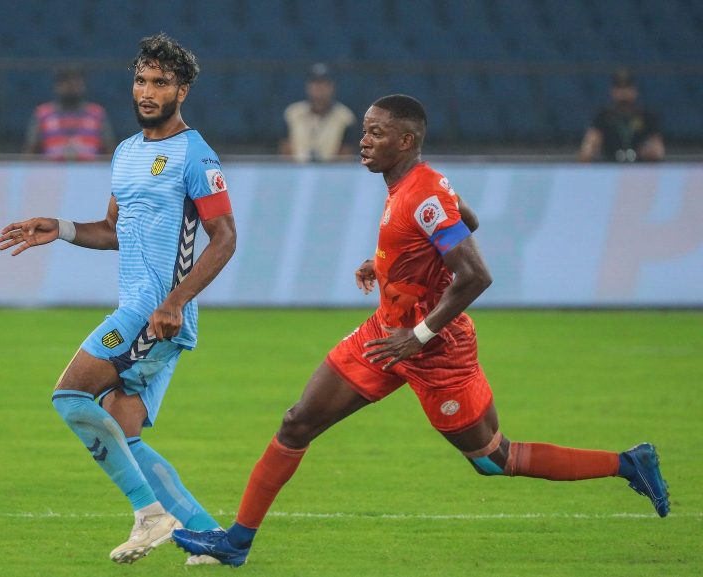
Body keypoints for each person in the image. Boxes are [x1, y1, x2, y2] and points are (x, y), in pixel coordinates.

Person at [173, 94, 670, 567]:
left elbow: (476, 275)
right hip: (385, 334)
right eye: (364, 131)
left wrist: (422, 335)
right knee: (297, 422)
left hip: (437, 349)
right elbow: (463, 219)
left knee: (493, 458)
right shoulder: (417, 187)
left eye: (375, 133)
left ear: (405, 141)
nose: (364, 141)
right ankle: (237, 541)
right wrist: (390, 268)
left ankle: (628, 464)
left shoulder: (423, 192)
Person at [0, 33, 236, 565]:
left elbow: (225, 238)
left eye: (160, 82)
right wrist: (57, 228)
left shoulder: (195, 154)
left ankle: (150, 516)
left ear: (183, 91)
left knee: (70, 396)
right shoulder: (127, 152)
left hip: (155, 313)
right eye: (141, 80)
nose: (147, 92)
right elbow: (112, 229)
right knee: (123, 432)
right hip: (142, 309)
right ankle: (211, 540)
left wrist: (174, 302)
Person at [23, 66, 115, 160]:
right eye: (65, 81)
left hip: (91, 172)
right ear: (56, 86)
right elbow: (30, 154)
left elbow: (109, 153)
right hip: (52, 172)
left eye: (76, 81)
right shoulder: (42, 114)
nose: (71, 85)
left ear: (83, 85)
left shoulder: (97, 114)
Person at [578, 69, 664, 162]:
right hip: (609, 168)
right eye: (619, 89)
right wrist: (589, 149)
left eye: (627, 88)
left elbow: (658, 149)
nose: (623, 94)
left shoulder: (647, 117)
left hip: (640, 168)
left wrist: (651, 151)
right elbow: (588, 147)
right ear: (612, 92)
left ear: (635, 91)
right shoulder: (603, 117)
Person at [279, 63, 357, 162]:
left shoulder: (345, 117)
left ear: (332, 86)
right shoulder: (293, 113)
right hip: (297, 172)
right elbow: (285, 149)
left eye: (324, 83)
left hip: (331, 173)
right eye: (315, 83)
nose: (319, 88)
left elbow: (346, 154)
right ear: (308, 87)